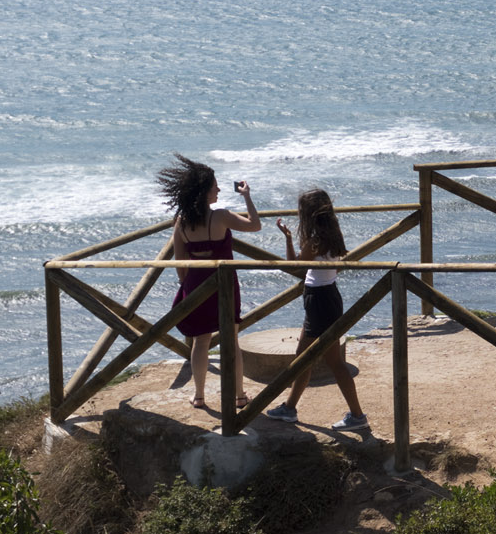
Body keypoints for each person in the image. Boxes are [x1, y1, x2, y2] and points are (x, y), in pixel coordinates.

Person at [156, 154, 262, 409]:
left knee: (201, 341)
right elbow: (255, 225)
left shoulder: (181, 222)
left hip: (195, 284)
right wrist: (246, 196)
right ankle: (238, 396)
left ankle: (199, 395)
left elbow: (180, 262)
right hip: (224, 283)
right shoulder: (222, 216)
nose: (219, 189)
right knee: (231, 339)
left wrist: (191, 286)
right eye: (215, 185)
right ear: (204, 190)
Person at [265, 189, 370, 432]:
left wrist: (289, 240)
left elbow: (296, 266)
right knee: (305, 358)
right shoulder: (332, 234)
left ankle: (357, 415)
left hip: (319, 301)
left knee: (326, 361)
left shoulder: (314, 240)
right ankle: (290, 408)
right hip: (328, 296)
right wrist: (293, 240)